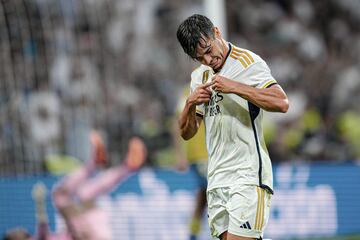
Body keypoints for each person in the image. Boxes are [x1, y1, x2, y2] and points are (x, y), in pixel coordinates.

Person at [176, 14, 289, 240]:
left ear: (217, 32)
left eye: (208, 50)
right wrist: (190, 103)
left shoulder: (248, 63)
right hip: (217, 178)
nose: (208, 60)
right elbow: (187, 133)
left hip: (247, 174)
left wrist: (235, 87)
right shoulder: (199, 76)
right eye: (200, 58)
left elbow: (281, 102)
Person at [52, 131, 147, 240]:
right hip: (94, 233)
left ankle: (100, 163)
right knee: (81, 195)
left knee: (69, 195)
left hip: (87, 229)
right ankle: (124, 166)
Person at [173, 86, 208, 240]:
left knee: (203, 199)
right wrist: (179, 154)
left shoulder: (220, 84)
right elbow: (178, 124)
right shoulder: (189, 92)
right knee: (213, 195)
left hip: (215, 154)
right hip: (200, 155)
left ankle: (193, 234)